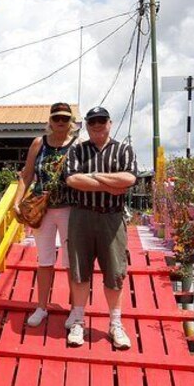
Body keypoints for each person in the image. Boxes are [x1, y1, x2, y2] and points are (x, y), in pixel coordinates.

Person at [64, 106, 137, 348]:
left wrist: (92, 177)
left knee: (115, 272)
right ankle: (78, 320)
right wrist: (109, 183)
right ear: (86, 124)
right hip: (81, 217)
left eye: (101, 121)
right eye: (92, 121)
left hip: (112, 219)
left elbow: (129, 180)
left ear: (109, 122)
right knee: (79, 270)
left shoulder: (123, 149)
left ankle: (115, 323)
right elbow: (73, 180)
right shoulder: (77, 150)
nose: (97, 125)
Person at [14, 102, 78, 327]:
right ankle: (41, 306)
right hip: (43, 209)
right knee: (45, 259)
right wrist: (17, 201)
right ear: (50, 120)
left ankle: (74, 309)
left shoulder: (78, 144)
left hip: (71, 208)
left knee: (72, 261)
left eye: (65, 118)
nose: (61, 122)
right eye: (57, 118)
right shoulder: (39, 143)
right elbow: (27, 174)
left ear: (71, 122)